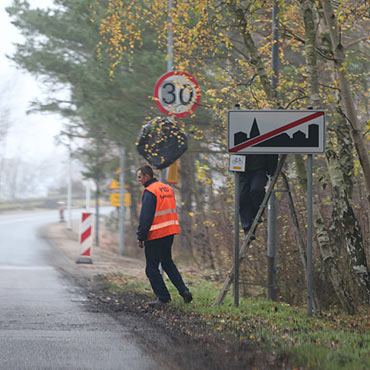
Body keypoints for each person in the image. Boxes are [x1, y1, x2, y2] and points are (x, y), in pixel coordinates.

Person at [136, 165, 193, 308]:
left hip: (155, 234)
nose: (138, 180)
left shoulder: (150, 191)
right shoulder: (167, 188)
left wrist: (141, 236)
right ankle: (184, 291)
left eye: (140, 177)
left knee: (151, 269)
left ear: (147, 176)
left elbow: (146, 217)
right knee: (167, 262)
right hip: (169, 231)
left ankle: (163, 298)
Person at [239, 154, 278, 239]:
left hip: (259, 169)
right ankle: (248, 229)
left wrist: (272, 170)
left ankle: (257, 214)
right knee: (242, 197)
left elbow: (272, 151)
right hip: (242, 170)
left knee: (257, 190)